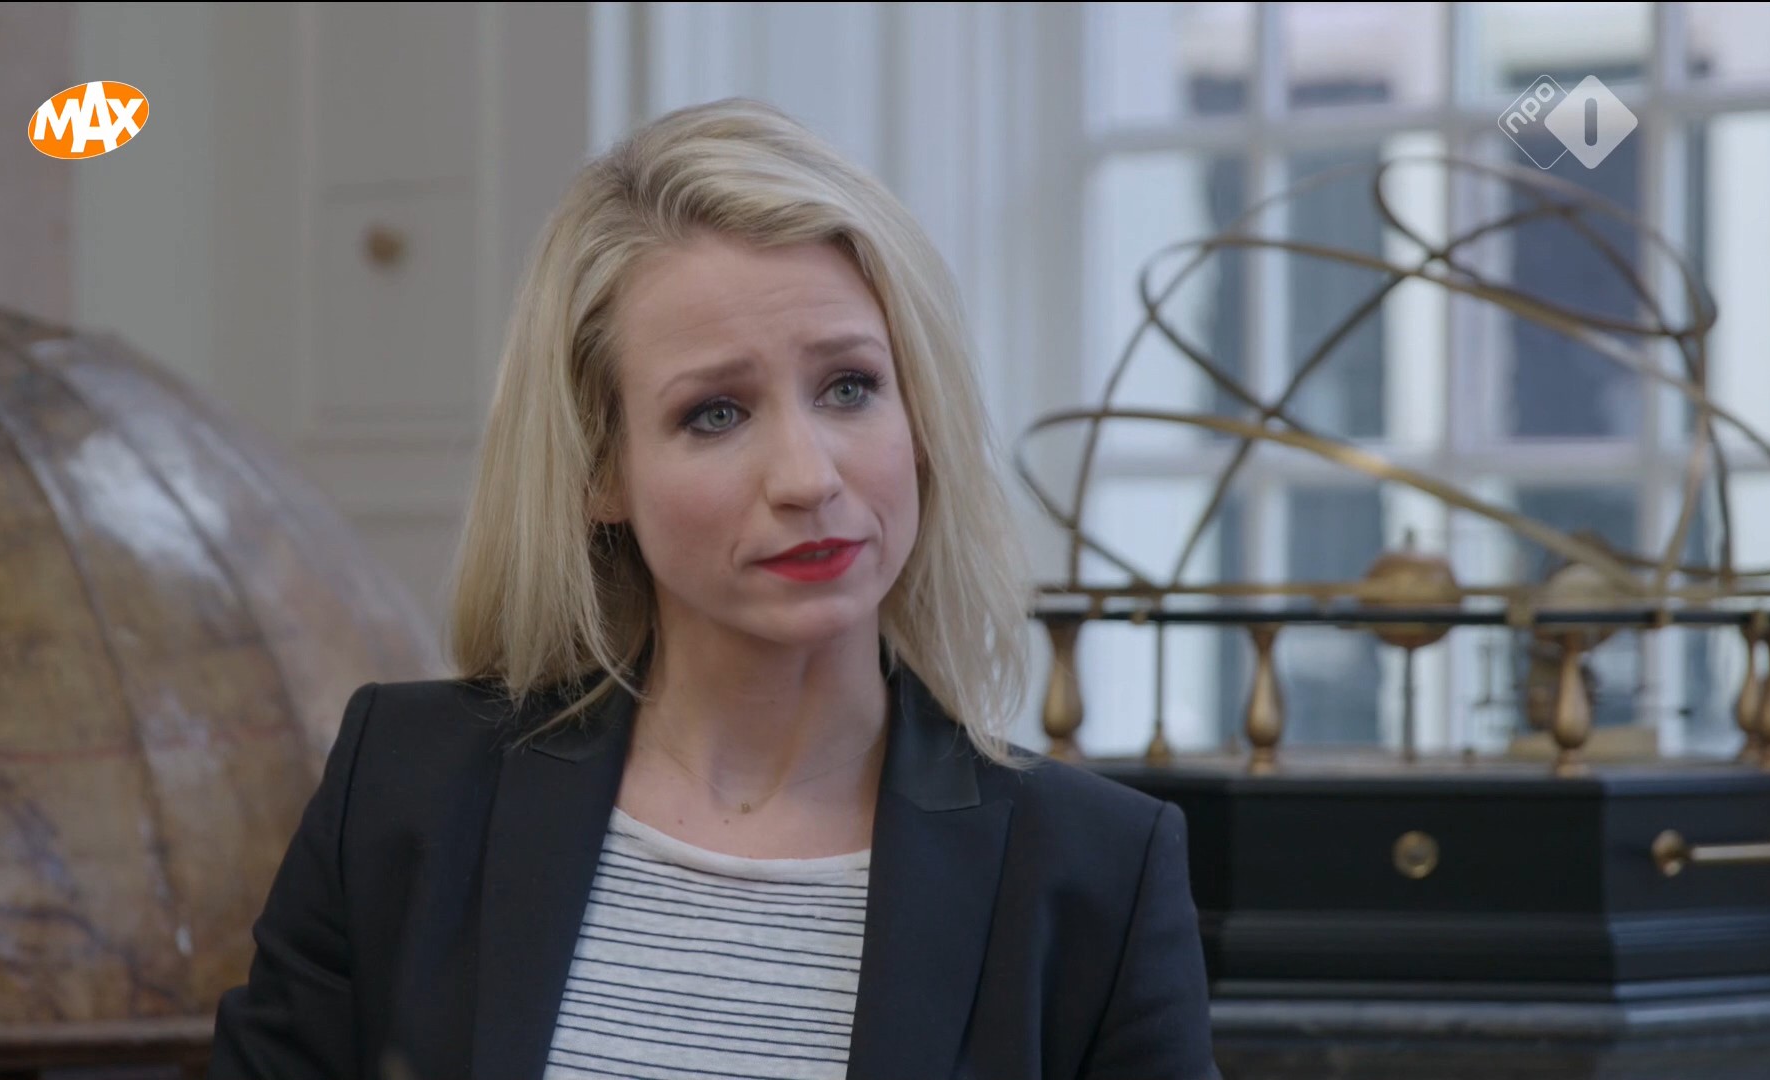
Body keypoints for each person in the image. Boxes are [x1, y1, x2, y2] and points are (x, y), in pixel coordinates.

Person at [209, 97, 1217, 1080]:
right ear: (600, 472)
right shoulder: (403, 793)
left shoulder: (1095, 872)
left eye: (850, 387)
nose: (807, 478)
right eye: (716, 414)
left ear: (921, 419)